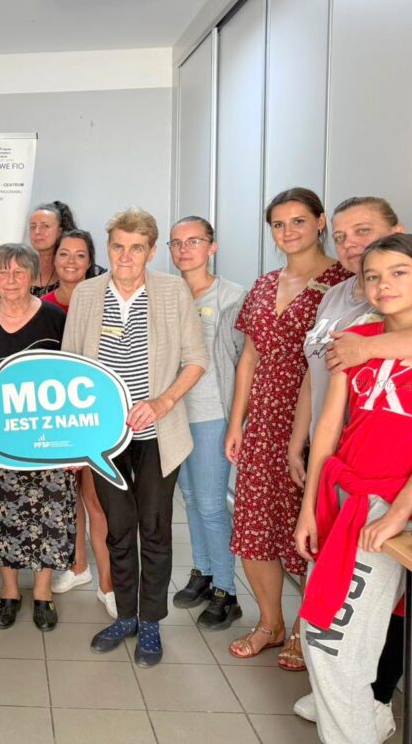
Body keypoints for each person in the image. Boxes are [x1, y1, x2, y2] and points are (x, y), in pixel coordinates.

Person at [287, 197, 412, 722]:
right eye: (373, 276)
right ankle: (357, 710)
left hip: (397, 497)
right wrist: (309, 506)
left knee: (342, 631)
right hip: (343, 489)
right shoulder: (351, 324)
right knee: (334, 627)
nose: (383, 283)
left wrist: (398, 513)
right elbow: (330, 425)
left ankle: (365, 710)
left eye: (397, 272)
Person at [62, 208, 208, 667]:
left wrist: (163, 402)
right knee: (119, 529)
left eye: (136, 248)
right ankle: (125, 615)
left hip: (157, 432)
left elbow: (196, 359)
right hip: (105, 438)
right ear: (109, 248)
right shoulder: (88, 293)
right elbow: (70, 365)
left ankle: (151, 622)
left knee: (156, 529)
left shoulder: (171, 291)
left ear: (151, 250)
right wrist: (75, 440)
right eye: (118, 246)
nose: (126, 256)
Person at [224, 188, 353, 670]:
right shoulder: (263, 285)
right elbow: (249, 357)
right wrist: (237, 422)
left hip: (319, 421)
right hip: (263, 422)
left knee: (312, 525)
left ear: (320, 222)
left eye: (298, 221)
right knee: (254, 524)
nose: (288, 232)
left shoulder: (343, 283)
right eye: (278, 224)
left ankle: (304, 628)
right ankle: (270, 623)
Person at [0, 243, 75, 632]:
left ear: (33, 276)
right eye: (3, 272)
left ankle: (43, 592)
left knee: (49, 511)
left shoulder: (55, 320)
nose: (10, 279)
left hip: (47, 438)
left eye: (19, 272)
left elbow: (75, 377)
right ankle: (9, 592)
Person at [167, 216, 247, 629]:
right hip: (174, 414)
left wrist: (237, 422)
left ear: (212, 246)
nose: (184, 249)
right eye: (176, 243)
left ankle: (227, 591)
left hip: (213, 413)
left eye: (194, 241)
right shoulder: (167, 293)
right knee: (191, 500)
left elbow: (244, 362)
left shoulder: (232, 296)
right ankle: (204, 571)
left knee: (213, 505)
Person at [44, 229, 116, 619]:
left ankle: (108, 584)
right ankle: (78, 566)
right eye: (64, 254)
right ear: (54, 259)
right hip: (53, 419)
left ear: (91, 261)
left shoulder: (104, 300)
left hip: (93, 416)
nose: (71, 261)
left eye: (80, 255)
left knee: (96, 500)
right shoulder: (42, 306)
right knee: (66, 499)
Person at [28, 200, 77, 297]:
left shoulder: (78, 268)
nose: (37, 232)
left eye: (45, 226)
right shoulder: (23, 268)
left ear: (60, 231)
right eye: (33, 227)